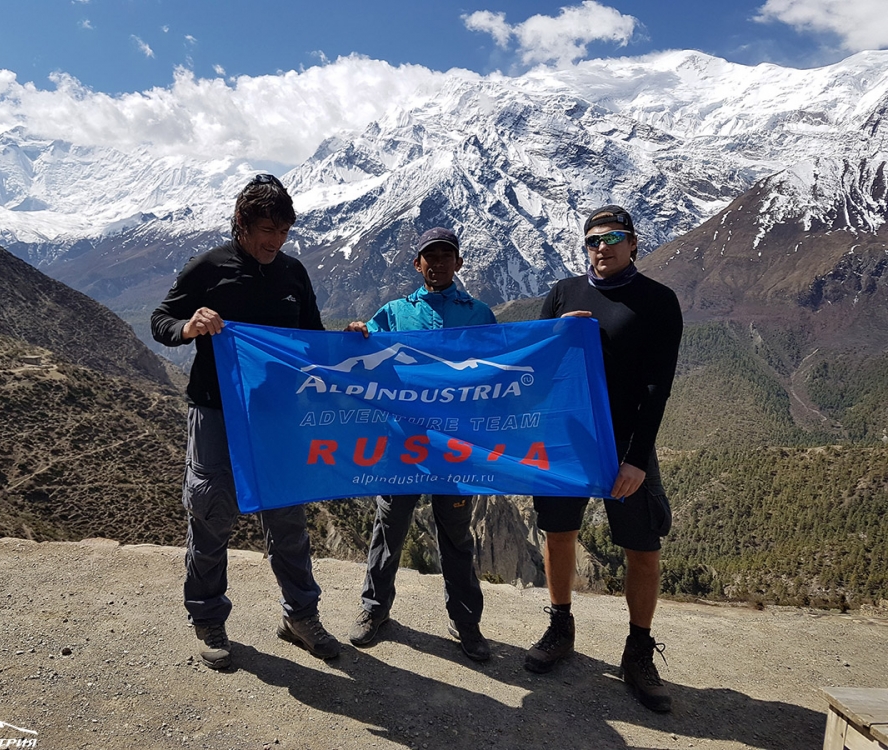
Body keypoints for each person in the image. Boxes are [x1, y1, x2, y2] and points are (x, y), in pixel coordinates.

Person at [150, 173, 340, 670]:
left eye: (284, 232)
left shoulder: (293, 273)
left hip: (277, 415)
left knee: (288, 518)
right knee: (211, 514)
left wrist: (350, 340)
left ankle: (301, 616)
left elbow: (313, 339)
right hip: (216, 411)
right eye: (266, 230)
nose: (275, 242)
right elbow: (161, 320)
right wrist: (188, 327)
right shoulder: (209, 268)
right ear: (241, 223)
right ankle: (208, 618)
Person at [526, 205, 683, 712]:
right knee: (559, 533)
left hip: (625, 442)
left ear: (633, 243)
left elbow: (657, 387)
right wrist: (555, 334)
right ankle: (560, 626)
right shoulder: (563, 293)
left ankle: (638, 650)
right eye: (593, 240)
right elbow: (531, 362)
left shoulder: (658, 301)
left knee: (642, 547)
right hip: (566, 437)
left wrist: (636, 458)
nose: (602, 247)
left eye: (614, 238)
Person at [343, 227, 497, 662]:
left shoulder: (479, 314)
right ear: (418, 264)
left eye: (447, 255)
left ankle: (466, 622)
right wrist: (356, 332)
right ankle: (375, 610)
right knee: (389, 529)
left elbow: (500, 368)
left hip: (455, 447)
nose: (439, 263)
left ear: (458, 263)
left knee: (456, 537)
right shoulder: (393, 313)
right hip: (402, 444)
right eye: (431, 256)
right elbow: (364, 353)